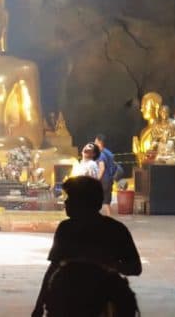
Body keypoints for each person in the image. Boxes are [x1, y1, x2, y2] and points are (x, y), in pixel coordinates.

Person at [32, 176, 140, 317]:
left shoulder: (69, 229)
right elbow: (53, 267)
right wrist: (39, 305)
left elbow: (135, 267)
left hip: (97, 298)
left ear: (83, 202)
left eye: (70, 198)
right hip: (69, 296)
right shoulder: (114, 228)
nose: (66, 202)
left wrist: (107, 264)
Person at [93, 135, 118, 216]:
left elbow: (102, 168)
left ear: (99, 142)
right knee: (106, 201)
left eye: (95, 141)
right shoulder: (108, 152)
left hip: (103, 180)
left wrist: (97, 179)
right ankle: (109, 217)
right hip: (109, 179)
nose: (94, 143)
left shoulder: (100, 154)